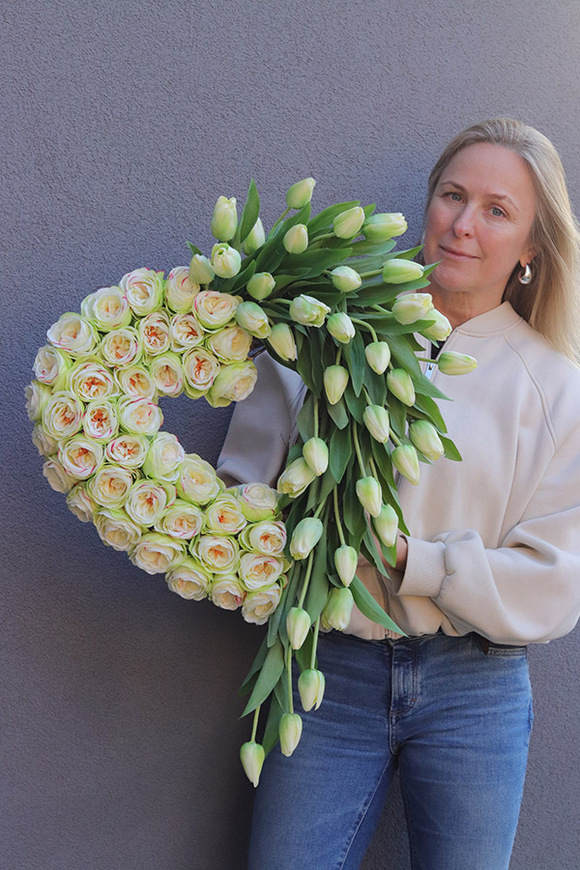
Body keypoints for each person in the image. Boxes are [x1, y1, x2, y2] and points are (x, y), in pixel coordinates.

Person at [217, 118, 580, 870]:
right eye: (452, 195)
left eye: (497, 210)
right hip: (327, 667)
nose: (463, 224)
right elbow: (243, 485)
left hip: (474, 686)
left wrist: (416, 561)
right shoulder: (331, 325)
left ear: (532, 250)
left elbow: (555, 584)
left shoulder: (556, 388)